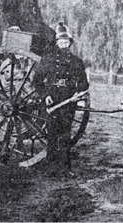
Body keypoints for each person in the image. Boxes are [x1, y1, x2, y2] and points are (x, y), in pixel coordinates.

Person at [31, 22, 89, 177]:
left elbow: (84, 83)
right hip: (52, 102)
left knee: (65, 136)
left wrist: (78, 93)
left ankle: (65, 169)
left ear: (70, 43)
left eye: (66, 42)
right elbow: (36, 81)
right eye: (61, 42)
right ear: (56, 43)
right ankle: (50, 169)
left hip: (68, 102)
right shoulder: (48, 59)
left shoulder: (77, 62)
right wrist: (46, 95)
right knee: (51, 136)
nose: (64, 45)